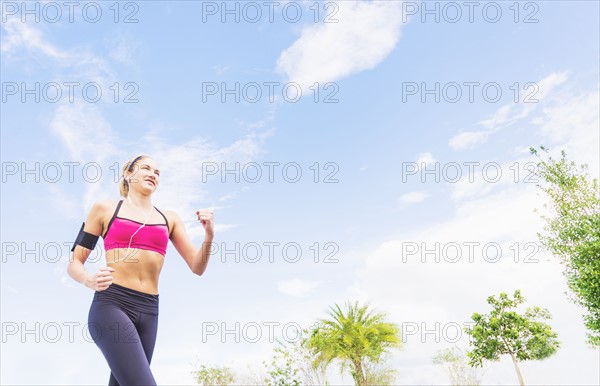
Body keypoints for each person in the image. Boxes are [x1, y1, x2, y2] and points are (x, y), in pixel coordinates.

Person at [67, 154, 214, 385]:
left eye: (157, 172)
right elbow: (74, 262)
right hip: (112, 305)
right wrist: (89, 280)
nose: (152, 174)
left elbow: (197, 267)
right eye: (146, 168)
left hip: (149, 311)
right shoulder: (105, 208)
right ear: (128, 174)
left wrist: (209, 235)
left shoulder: (170, 219)